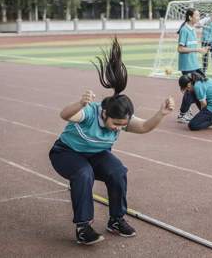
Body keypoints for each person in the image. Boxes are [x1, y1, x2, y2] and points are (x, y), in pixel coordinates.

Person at [49, 38, 175, 245]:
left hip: (96, 155)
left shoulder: (122, 117)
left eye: (122, 125)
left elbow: (143, 127)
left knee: (118, 171)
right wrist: (80, 103)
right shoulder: (90, 113)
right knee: (83, 173)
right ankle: (83, 227)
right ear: (105, 113)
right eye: (116, 124)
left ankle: (116, 220)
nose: (119, 128)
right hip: (66, 153)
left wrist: (160, 114)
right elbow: (65, 115)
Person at [176, 8, 209, 124]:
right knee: (190, 90)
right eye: (197, 15)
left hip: (194, 65)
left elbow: (193, 49)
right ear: (190, 17)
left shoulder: (193, 29)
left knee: (202, 84)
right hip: (187, 66)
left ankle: (197, 112)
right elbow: (180, 49)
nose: (199, 18)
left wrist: (202, 50)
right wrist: (197, 49)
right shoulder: (184, 30)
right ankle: (182, 114)